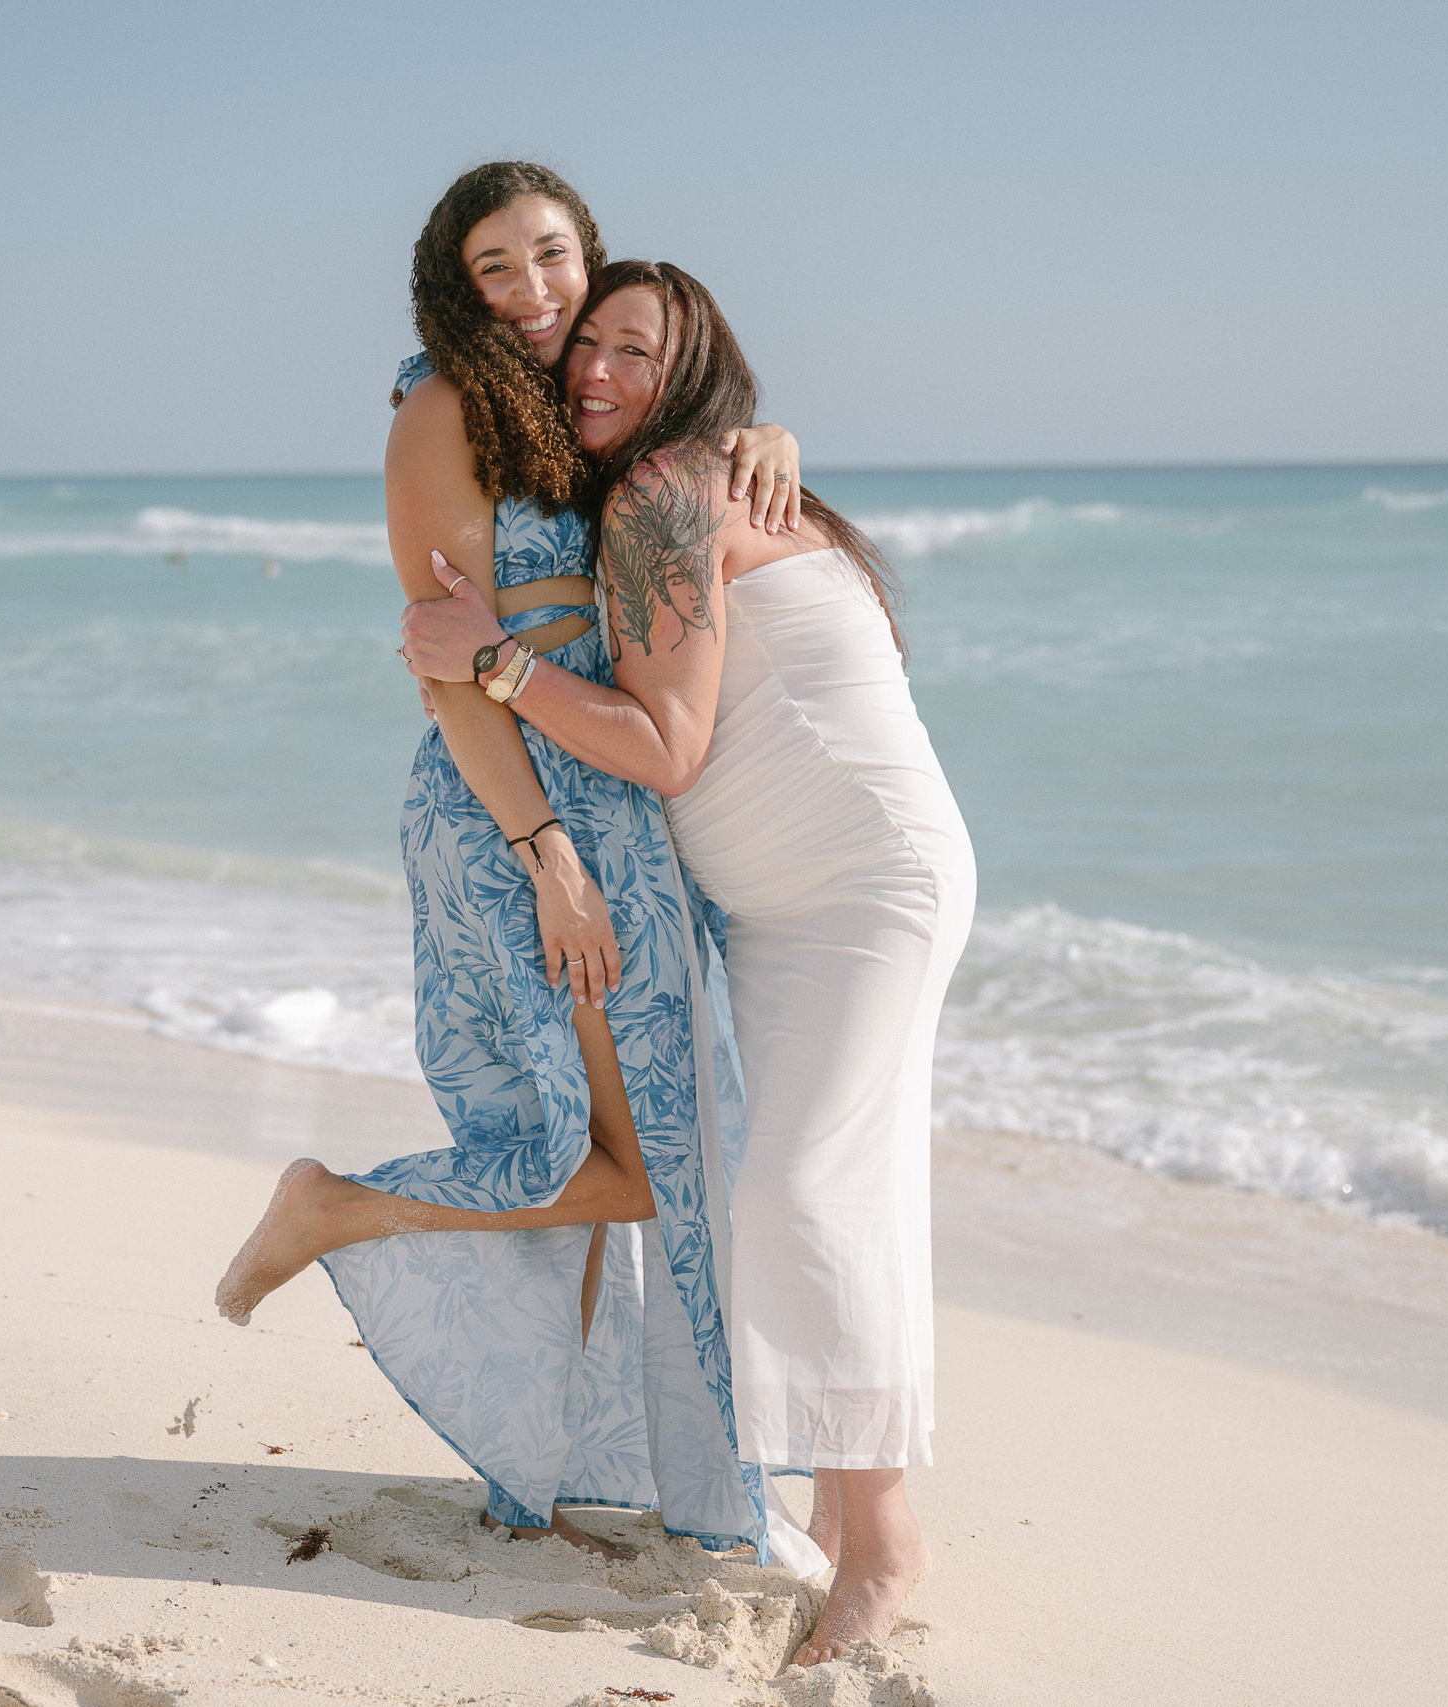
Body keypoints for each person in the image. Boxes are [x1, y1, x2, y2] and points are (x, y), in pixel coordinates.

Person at [213, 163, 821, 1570]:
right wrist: (548, 857)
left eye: (554, 255)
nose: (537, 290)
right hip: (516, 813)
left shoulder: (583, 406)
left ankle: (537, 1474)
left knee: (617, 1148)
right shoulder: (442, 411)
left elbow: (678, 497)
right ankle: (333, 1208)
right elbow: (448, 668)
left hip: (614, 804)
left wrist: (762, 433)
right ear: (458, 288)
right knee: (637, 1161)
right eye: (498, 267)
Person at [398, 260, 975, 1666]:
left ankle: (884, 1539)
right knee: (814, 1190)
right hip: (773, 908)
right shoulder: (677, 482)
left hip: (858, 881)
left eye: (637, 351)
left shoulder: (668, 492)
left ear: (692, 377)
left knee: (798, 1191)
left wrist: (496, 663)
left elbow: (669, 751)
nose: (596, 367)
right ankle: (840, 1507)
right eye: (586, 343)